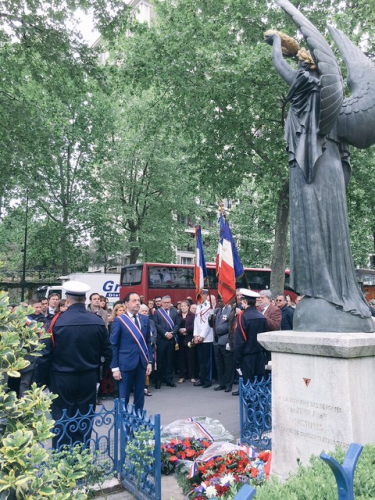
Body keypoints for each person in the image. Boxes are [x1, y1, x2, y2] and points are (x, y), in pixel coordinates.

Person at [265, 12, 374, 332]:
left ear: (311, 68)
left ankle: (331, 295)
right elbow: (284, 68)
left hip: (319, 166)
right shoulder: (315, 95)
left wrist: (277, 40)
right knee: (312, 226)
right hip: (310, 167)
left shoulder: (315, 92)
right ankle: (323, 292)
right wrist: (278, 43)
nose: (297, 69)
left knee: (319, 225)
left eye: (302, 63)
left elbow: (282, 67)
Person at [35, 281, 112, 448]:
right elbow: (107, 353)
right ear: (85, 298)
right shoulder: (97, 321)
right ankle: (81, 458)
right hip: (88, 378)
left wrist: (41, 383)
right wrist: (99, 375)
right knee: (84, 419)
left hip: (62, 379)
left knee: (62, 420)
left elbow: (44, 355)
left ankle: (62, 462)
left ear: (67, 300)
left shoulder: (55, 322)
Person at [110, 292, 152, 411]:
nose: (137, 303)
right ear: (126, 304)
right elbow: (113, 344)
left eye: (138, 300)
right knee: (124, 397)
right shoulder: (120, 320)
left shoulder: (145, 319)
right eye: (134, 300)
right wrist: (115, 368)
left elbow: (148, 342)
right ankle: (124, 424)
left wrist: (149, 361)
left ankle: (138, 423)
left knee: (139, 396)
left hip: (141, 363)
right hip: (125, 363)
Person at [233, 289, 268, 395]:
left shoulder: (242, 317)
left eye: (243, 300)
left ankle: (249, 409)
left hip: (247, 357)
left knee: (248, 385)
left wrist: (237, 361)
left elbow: (240, 341)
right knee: (259, 384)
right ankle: (258, 409)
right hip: (260, 355)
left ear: (246, 302)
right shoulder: (261, 316)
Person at [153, 295, 178, 388]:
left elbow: (177, 324)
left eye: (168, 302)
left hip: (171, 339)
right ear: (161, 303)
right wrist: (165, 333)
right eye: (165, 302)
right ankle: (158, 380)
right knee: (160, 361)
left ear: (170, 302)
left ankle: (169, 379)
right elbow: (156, 324)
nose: (166, 304)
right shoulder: (157, 312)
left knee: (170, 360)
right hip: (162, 340)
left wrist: (173, 333)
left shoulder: (174, 312)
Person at [193, 291, 216, 388]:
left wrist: (202, 336)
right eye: (199, 295)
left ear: (206, 296)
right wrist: (195, 335)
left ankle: (208, 380)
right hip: (199, 338)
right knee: (201, 361)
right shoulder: (199, 307)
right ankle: (202, 378)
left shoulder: (209, 307)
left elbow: (208, 324)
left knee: (207, 361)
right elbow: (196, 322)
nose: (201, 297)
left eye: (202, 295)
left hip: (207, 338)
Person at [212, 298, 235, 393]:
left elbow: (229, 325)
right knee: (219, 364)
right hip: (216, 341)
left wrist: (218, 331)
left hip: (225, 339)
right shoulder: (217, 310)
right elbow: (213, 324)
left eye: (220, 300)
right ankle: (221, 383)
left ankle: (229, 384)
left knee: (228, 364)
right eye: (218, 300)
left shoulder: (230, 310)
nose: (219, 302)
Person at [173, 300, 195, 384]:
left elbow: (194, 326)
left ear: (188, 307)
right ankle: (182, 376)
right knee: (181, 358)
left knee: (190, 358)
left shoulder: (192, 315)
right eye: (181, 306)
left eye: (184, 306)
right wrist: (179, 330)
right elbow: (175, 325)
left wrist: (186, 329)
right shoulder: (177, 315)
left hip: (189, 338)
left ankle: (191, 376)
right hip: (180, 339)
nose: (183, 308)